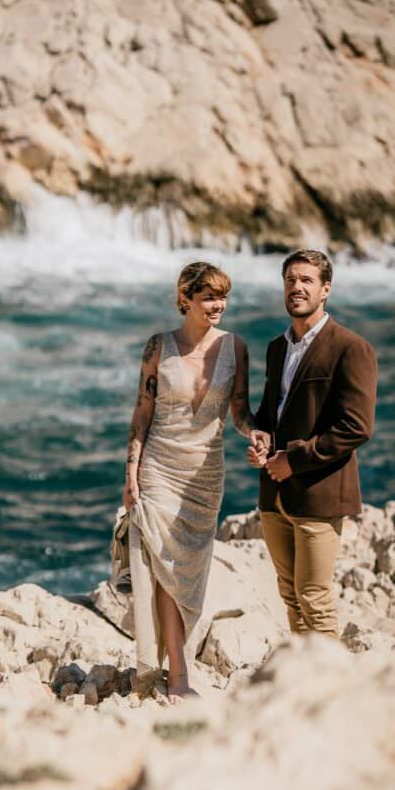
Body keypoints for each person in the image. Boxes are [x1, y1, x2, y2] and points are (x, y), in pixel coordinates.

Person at [123, 261, 264, 702]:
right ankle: (178, 675)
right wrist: (131, 474)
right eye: (209, 297)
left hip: (205, 475)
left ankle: (175, 665)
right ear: (185, 299)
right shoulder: (157, 347)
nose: (218, 305)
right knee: (164, 570)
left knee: (189, 575)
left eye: (223, 296)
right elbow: (142, 414)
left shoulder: (235, 347)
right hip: (159, 469)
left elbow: (239, 412)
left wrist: (256, 432)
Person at [247, 249, 377, 639]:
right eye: (290, 280)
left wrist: (294, 460)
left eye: (306, 280)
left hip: (319, 493)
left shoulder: (351, 348)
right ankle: (304, 687)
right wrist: (260, 441)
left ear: (325, 290)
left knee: (314, 598)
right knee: (290, 596)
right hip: (274, 494)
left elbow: (356, 427)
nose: (297, 287)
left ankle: (330, 693)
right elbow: (270, 413)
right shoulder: (276, 348)